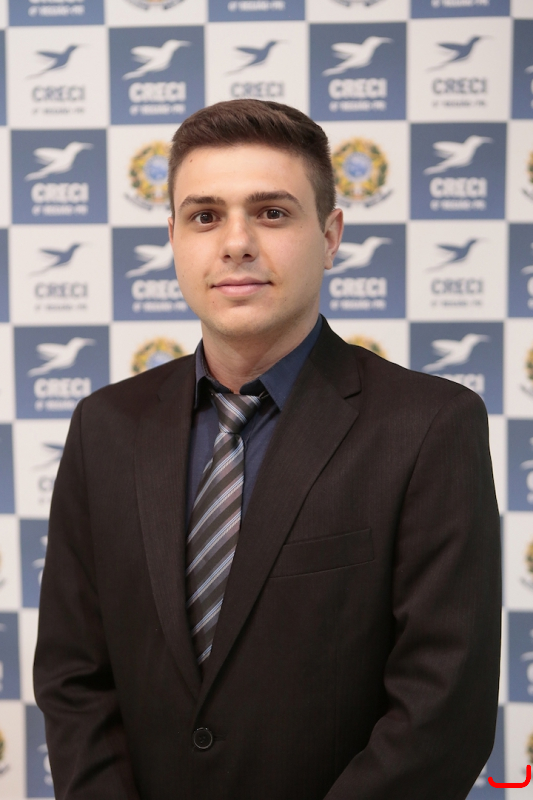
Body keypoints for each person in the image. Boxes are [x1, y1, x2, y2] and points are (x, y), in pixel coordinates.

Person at [34, 99, 501, 800]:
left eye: (272, 212)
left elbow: (441, 712)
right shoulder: (105, 426)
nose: (236, 243)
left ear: (330, 235)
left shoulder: (430, 426)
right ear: (173, 238)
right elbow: (73, 678)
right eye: (205, 216)